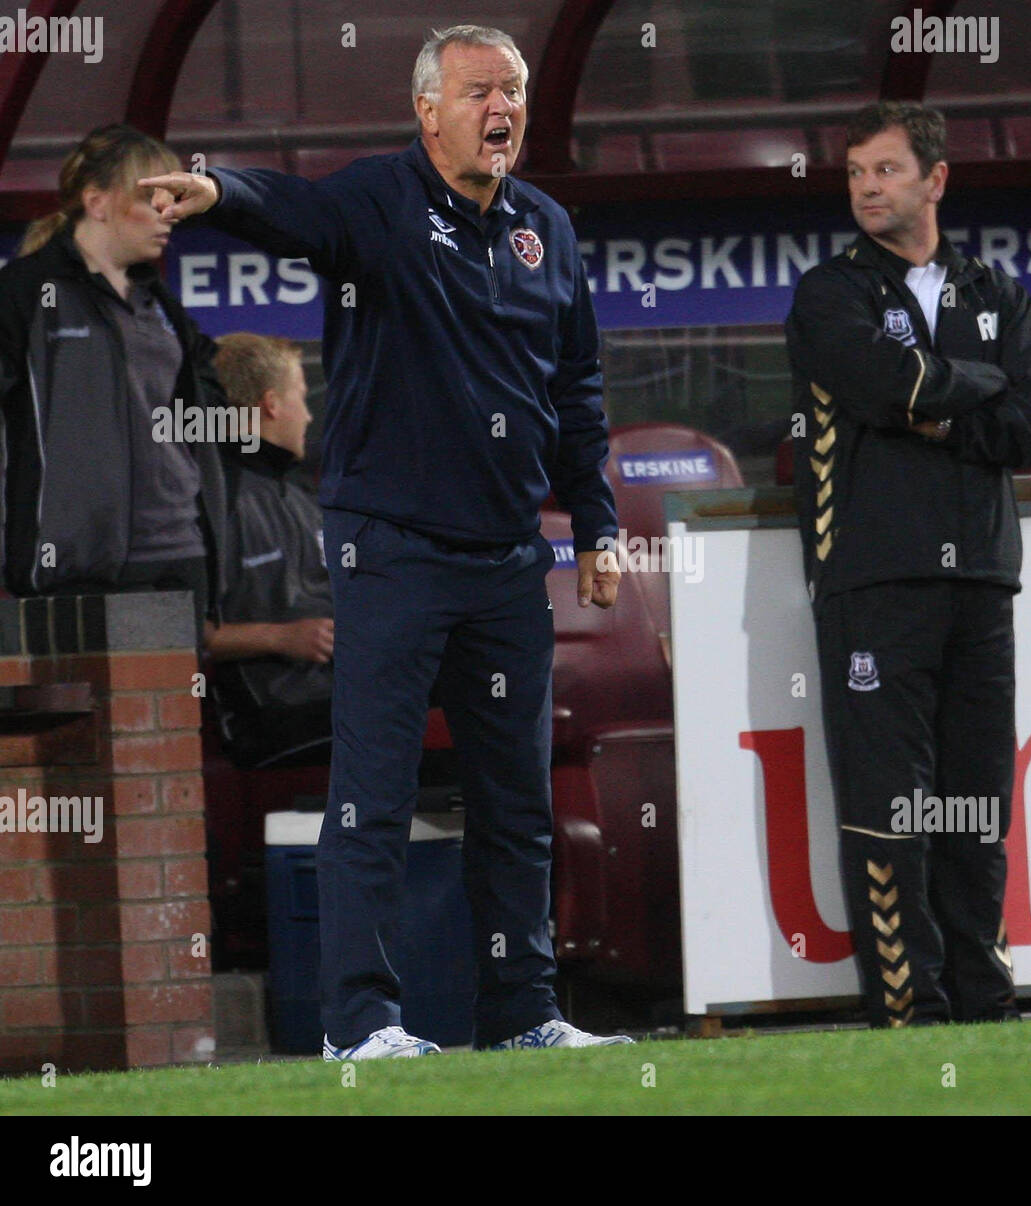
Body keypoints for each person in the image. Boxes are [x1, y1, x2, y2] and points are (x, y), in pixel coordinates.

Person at [143, 24, 631, 1056]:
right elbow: (294, 207)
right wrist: (217, 190)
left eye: (512, 92)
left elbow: (577, 388)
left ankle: (523, 1012)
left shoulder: (547, 227)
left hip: (505, 557)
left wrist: (595, 523)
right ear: (426, 111)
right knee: (373, 789)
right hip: (392, 547)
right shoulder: (378, 199)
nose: (498, 109)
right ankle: (360, 1025)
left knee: (514, 800)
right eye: (475, 93)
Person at [784, 102, 1031, 1027]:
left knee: (977, 808)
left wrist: (943, 401)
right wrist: (977, 386)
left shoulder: (1000, 293)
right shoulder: (830, 293)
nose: (868, 188)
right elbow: (884, 386)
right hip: (872, 580)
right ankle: (911, 1013)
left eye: (887, 171)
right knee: (891, 810)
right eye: (857, 173)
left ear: (935, 180)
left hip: (981, 579)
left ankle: (988, 1005)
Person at [0, 124, 229, 645]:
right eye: (151, 200)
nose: (169, 212)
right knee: (98, 724)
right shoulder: (24, 294)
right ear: (98, 203)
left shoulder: (161, 305)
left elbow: (207, 402)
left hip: (179, 550)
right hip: (76, 564)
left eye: (173, 199)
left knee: (174, 722)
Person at [206, 333, 334, 770]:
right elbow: (174, 635)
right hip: (271, 717)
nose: (309, 414)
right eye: (302, 397)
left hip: (335, 692)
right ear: (272, 405)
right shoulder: (212, 501)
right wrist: (281, 638)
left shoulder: (299, 491)